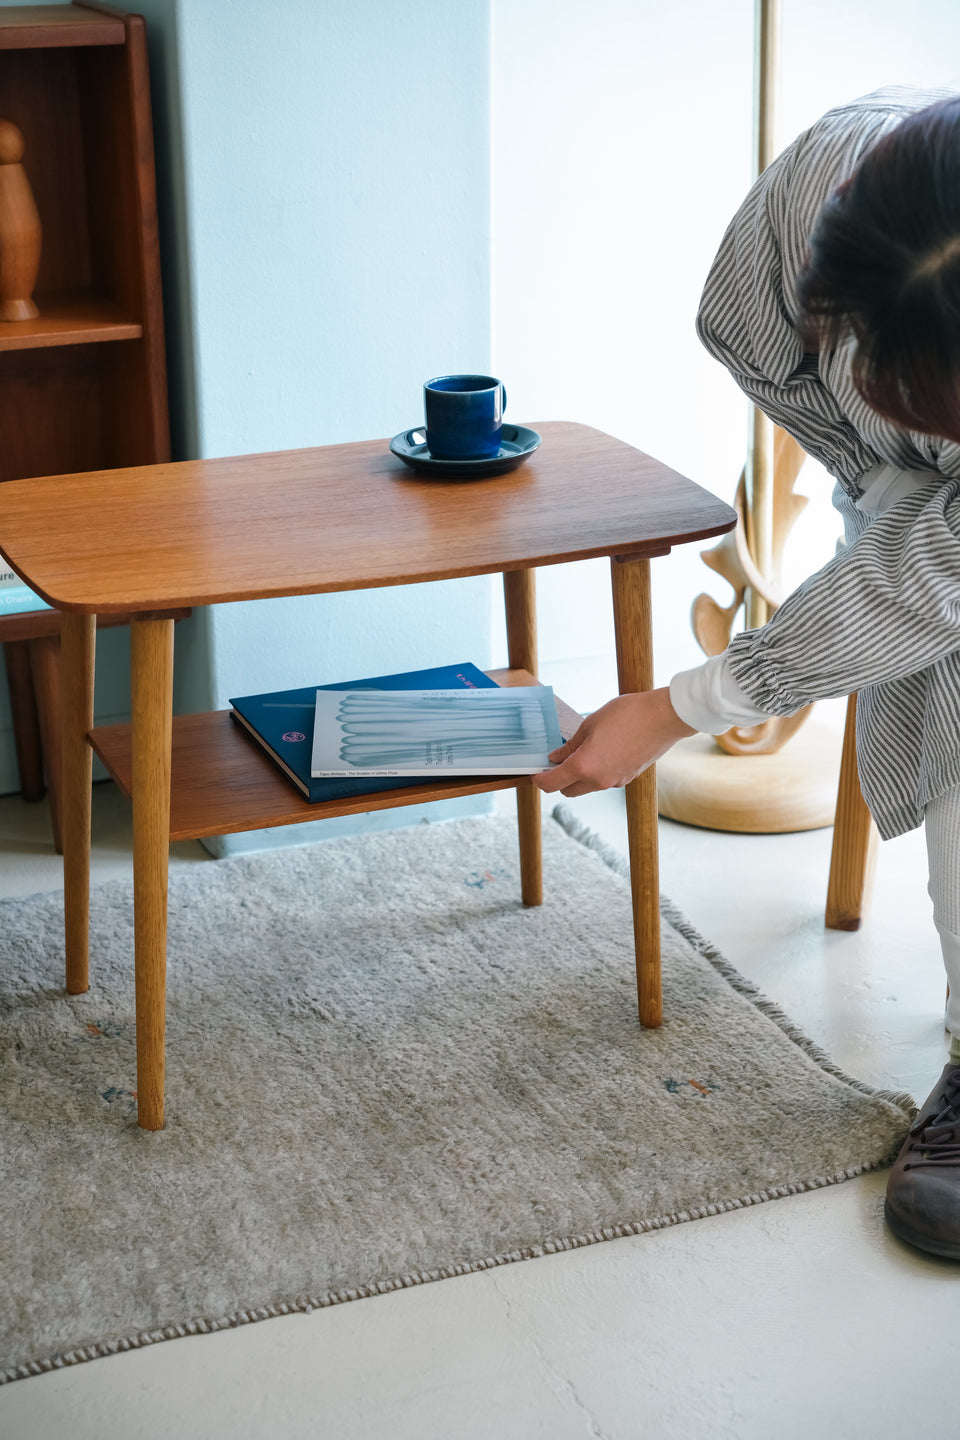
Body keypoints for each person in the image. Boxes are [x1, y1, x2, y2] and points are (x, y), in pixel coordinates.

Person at [534, 87, 960, 1261]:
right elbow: (747, 340)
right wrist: (890, 481)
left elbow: (929, 580)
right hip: (910, 508)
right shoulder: (814, 193)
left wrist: (680, 708)